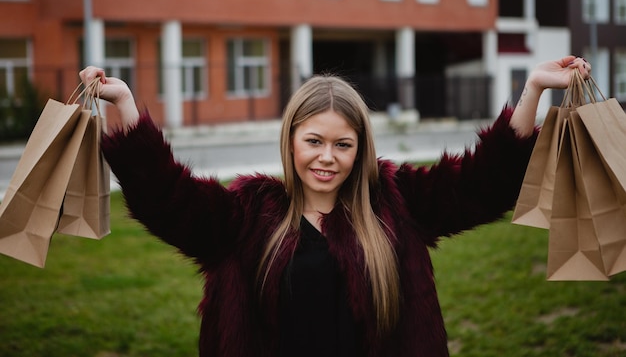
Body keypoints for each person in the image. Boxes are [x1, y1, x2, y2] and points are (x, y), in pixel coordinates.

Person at [80, 56, 590, 357]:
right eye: (314, 141)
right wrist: (124, 108)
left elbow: (486, 183)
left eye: (342, 145)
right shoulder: (246, 215)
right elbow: (168, 200)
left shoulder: (396, 202)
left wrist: (534, 90)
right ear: (291, 141)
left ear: (360, 147)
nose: (327, 157)